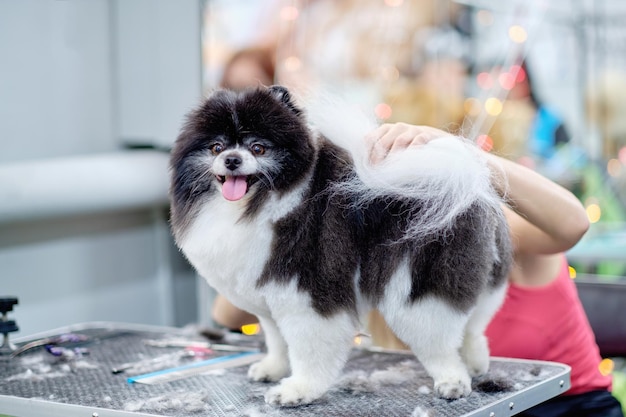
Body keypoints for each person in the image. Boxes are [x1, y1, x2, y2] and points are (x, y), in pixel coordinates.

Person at [211, 122, 624, 416]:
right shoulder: (354, 240)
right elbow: (229, 313)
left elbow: (573, 222)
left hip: (568, 406)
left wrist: (459, 152)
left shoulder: (480, 225)